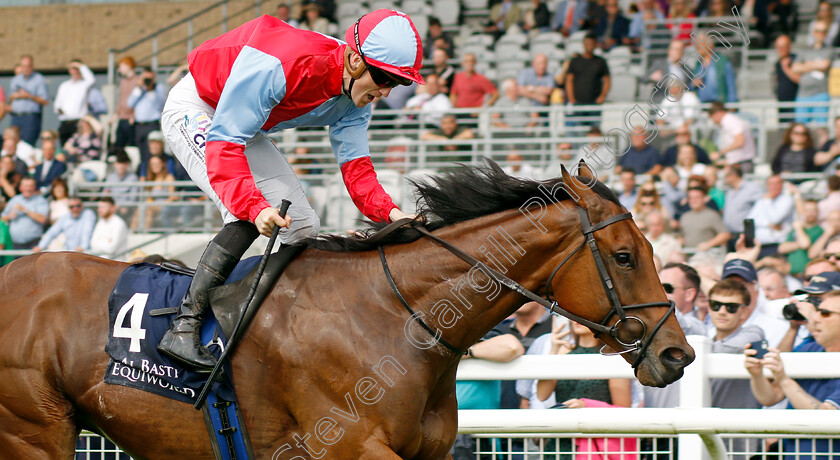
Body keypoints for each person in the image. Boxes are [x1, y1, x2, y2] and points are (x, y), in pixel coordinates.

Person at [157, 10, 421, 371]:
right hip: (200, 107)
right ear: (356, 60)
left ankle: (263, 321)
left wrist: (391, 213)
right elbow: (225, 143)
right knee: (247, 212)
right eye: (385, 78)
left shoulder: (358, 97)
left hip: (241, 125)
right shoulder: (281, 62)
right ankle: (183, 327)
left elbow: (356, 168)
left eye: (399, 84)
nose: (387, 92)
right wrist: (255, 207)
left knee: (302, 227)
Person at [745, 291, 840, 456]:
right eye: (817, 311)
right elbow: (769, 398)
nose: (815, 318)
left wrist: (783, 379)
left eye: (825, 313)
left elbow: (827, 418)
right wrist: (757, 375)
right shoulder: (808, 349)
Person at [707, 279, 763, 458]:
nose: (722, 311)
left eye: (731, 307)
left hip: (742, 442)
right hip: (703, 435)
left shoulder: (753, 333)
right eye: (715, 305)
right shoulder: (704, 339)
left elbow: (728, 348)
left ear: (745, 312)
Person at [792, 20, 833, 125]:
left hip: (821, 94)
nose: (820, 33)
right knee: (800, 127)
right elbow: (795, 68)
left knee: (821, 128)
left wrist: (805, 65)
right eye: (818, 31)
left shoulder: (828, 50)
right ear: (813, 32)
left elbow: (824, 65)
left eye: (823, 31)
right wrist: (816, 64)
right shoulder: (805, 50)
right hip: (803, 95)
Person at [565, 33, 611, 126]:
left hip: (594, 103)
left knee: (594, 131)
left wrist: (602, 97)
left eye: (591, 43)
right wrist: (571, 99)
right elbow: (569, 80)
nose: (589, 46)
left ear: (595, 45)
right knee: (579, 131)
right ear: (583, 44)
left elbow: (607, 80)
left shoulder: (600, 62)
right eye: (587, 43)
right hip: (577, 102)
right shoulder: (575, 61)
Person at [128, 68, 168, 171]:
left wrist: (150, 89)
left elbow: (160, 104)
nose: (147, 81)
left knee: (152, 152)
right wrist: (139, 88)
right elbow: (130, 103)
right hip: (139, 125)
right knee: (141, 152)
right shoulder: (139, 89)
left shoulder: (158, 88)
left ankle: (151, 173)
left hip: (152, 124)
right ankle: (143, 173)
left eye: (150, 78)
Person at [747, 175, 795, 258]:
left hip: (776, 245)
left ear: (782, 185)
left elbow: (775, 219)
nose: (774, 187)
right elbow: (749, 221)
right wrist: (767, 224)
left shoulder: (787, 199)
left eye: (777, 183)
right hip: (759, 245)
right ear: (767, 186)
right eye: (771, 184)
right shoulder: (762, 200)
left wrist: (767, 201)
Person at [8, 55, 49, 146]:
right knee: (12, 143)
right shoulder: (16, 80)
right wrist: (15, 96)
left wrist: (28, 96)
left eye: (28, 66)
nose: (26, 68)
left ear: (32, 66)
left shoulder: (39, 79)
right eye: (23, 66)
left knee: (27, 145)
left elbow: (45, 101)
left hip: (30, 118)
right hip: (15, 117)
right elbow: (10, 97)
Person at [54, 60, 96, 146]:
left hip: (78, 122)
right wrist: (59, 110)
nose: (75, 71)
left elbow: (91, 80)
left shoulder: (84, 84)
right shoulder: (64, 85)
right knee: (65, 147)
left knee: (78, 146)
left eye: (77, 68)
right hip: (65, 122)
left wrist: (81, 66)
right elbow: (57, 104)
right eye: (73, 68)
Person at [1, 177, 49, 250]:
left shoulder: (41, 201)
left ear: (34, 187)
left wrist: (25, 210)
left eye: (31, 186)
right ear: (20, 188)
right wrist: (9, 216)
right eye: (26, 186)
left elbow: (43, 219)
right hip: (14, 243)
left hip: (33, 243)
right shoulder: (15, 199)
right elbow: (2, 219)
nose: (28, 188)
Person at [708, 102, 756, 174]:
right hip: (740, 162)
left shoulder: (730, 121)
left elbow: (740, 141)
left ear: (718, 113)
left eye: (713, 118)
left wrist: (720, 153)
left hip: (742, 164)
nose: (714, 121)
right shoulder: (731, 121)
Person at [779, 199, 824, 275]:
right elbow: (782, 248)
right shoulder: (795, 229)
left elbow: (805, 245)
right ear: (803, 212)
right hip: (791, 274)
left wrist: (798, 229)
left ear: (818, 212)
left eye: (813, 210)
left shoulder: (820, 231)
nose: (810, 213)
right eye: (807, 210)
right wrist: (799, 243)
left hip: (809, 275)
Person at [691, 36, 738, 103]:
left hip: (718, 105)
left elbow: (731, 84)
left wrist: (732, 103)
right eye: (697, 44)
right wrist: (693, 84)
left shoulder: (722, 62)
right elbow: (692, 86)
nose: (698, 46)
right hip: (701, 105)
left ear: (710, 45)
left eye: (701, 43)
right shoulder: (698, 64)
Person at [104, 150, 140, 225]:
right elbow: (106, 194)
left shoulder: (133, 178)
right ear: (115, 164)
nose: (121, 166)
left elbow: (133, 198)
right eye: (119, 163)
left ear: (127, 164)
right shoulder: (110, 178)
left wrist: (123, 206)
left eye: (123, 163)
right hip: (112, 208)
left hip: (127, 209)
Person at [114, 56, 139, 148]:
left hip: (131, 119)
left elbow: (138, 99)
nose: (120, 70)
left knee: (132, 145)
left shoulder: (137, 80)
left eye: (121, 66)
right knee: (119, 144)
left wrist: (134, 115)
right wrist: (116, 115)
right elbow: (121, 99)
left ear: (128, 66)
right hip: (122, 117)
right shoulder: (123, 81)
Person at [773, 35, 799, 125]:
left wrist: (786, 68)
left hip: (794, 103)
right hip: (781, 102)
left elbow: (799, 80)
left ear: (789, 46)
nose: (780, 49)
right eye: (778, 47)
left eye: (783, 47)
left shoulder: (796, 60)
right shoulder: (777, 63)